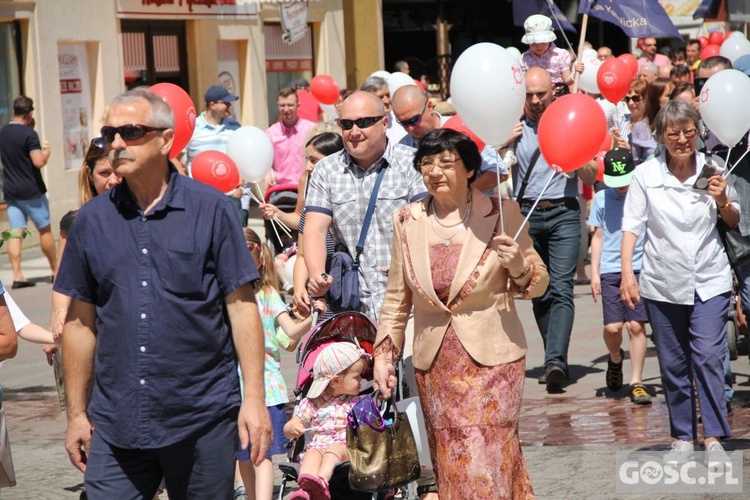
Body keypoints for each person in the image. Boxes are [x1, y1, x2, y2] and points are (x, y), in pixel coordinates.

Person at [53, 88, 271, 498]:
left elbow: (241, 308)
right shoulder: (91, 221)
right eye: (109, 133)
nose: (116, 143)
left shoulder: (212, 210)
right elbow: (80, 323)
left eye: (131, 131)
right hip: (116, 422)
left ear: (166, 140)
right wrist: (77, 414)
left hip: (201, 416)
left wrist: (255, 400)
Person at [373, 128, 549, 497]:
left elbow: (539, 284)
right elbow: (395, 298)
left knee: (486, 452)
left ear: (469, 169)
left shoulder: (501, 211)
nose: (434, 171)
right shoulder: (406, 220)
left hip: (493, 361)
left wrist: (518, 265)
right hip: (436, 364)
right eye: (427, 163)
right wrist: (383, 357)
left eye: (446, 162)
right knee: (451, 455)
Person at [620, 100, 736, 460]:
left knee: (707, 356)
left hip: (710, 278)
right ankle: (683, 436)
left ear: (698, 134)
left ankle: (714, 435)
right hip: (662, 281)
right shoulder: (646, 175)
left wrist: (721, 201)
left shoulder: (713, 169)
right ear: (661, 138)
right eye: (674, 134)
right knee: (673, 363)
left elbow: (732, 220)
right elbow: (632, 226)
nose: (682, 139)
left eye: (688, 132)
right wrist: (627, 272)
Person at [508, 67, 596, 392]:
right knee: (538, 288)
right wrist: (504, 143)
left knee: (561, 287)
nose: (534, 100)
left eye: (540, 94)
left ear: (553, 92)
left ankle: (555, 361)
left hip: (563, 212)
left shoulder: (568, 120)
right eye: (528, 95)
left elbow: (590, 176)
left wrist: (578, 157)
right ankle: (553, 357)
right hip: (527, 215)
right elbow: (490, 167)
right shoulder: (513, 126)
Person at [304, 91, 427, 320]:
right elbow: (315, 229)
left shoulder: (413, 163)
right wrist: (317, 275)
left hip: (409, 305)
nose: (354, 132)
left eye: (363, 123)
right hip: (352, 307)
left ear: (384, 123)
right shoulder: (326, 170)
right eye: (347, 124)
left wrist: (409, 264)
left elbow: (427, 224)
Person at [237, 228, 326, 500]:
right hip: (233, 389)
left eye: (248, 250)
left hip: (267, 387)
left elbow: (288, 331)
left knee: (261, 456)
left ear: (260, 257)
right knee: (242, 456)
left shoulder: (267, 294)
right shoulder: (225, 295)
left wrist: (311, 320)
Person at [589, 149, 650, 405]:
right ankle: (615, 357)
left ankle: (637, 381)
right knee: (612, 327)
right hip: (610, 268)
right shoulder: (602, 198)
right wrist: (594, 272)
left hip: (639, 266)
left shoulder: (642, 194)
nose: (622, 187)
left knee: (636, 325)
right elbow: (599, 235)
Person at [284, 342, 369, 500]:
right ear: (336, 381)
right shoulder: (313, 403)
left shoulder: (358, 403)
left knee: (334, 449)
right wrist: (293, 427)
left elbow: (369, 428)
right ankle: (306, 488)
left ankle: (321, 481)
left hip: (346, 448)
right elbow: (290, 427)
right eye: (357, 376)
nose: (361, 379)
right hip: (319, 447)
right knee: (311, 453)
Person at [390, 85, 508, 192]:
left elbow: (498, 172)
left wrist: (463, 196)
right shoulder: (403, 146)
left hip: (473, 212)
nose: (410, 128)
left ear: (429, 106)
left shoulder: (461, 127)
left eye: (415, 119)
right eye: (403, 123)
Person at [0, 95, 55, 288]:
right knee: (44, 229)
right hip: (32, 191)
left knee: (15, 233)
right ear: (30, 113)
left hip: (11, 190)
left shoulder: (3, 132)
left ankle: (17, 274)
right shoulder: (29, 135)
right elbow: (38, 161)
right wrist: (46, 153)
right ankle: (55, 271)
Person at [290, 131, 346, 318]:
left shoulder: (349, 203)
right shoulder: (311, 207)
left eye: (314, 160)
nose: (308, 167)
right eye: (306, 159)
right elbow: (302, 255)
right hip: (321, 304)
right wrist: (299, 289)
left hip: (351, 299)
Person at [184, 85, 244, 224]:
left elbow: (242, 159)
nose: (229, 105)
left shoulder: (235, 127)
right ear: (212, 105)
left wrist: (239, 189)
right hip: (199, 197)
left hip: (230, 196)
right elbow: (178, 160)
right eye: (226, 103)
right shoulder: (192, 127)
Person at [519, 15, 583, 97]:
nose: (539, 46)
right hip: (535, 96)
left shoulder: (560, 55)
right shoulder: (525, 58)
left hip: (558, 95)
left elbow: (567, 79)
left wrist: (575, 74)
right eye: (534, 43)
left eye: (542, 42)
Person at [265, 88, 317, 188]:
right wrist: (267, 175)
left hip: (308, 186)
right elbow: (266, 161)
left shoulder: (311, 130)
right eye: (282, 105)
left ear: (298, 105)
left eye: (290, 105)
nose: (286, 109)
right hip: (280, 189)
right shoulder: (271, 133)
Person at [613, 80, 656, 166]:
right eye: (627, 99)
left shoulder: (652, 123)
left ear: (646, 98)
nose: (631, 103)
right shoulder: (621, 120)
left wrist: (629, 150)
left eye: (635, 98)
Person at [359, 75, 408, 144]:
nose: (387, 101)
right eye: (381, 97)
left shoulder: (401, 120)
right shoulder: (358, 124)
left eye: (388, 95)